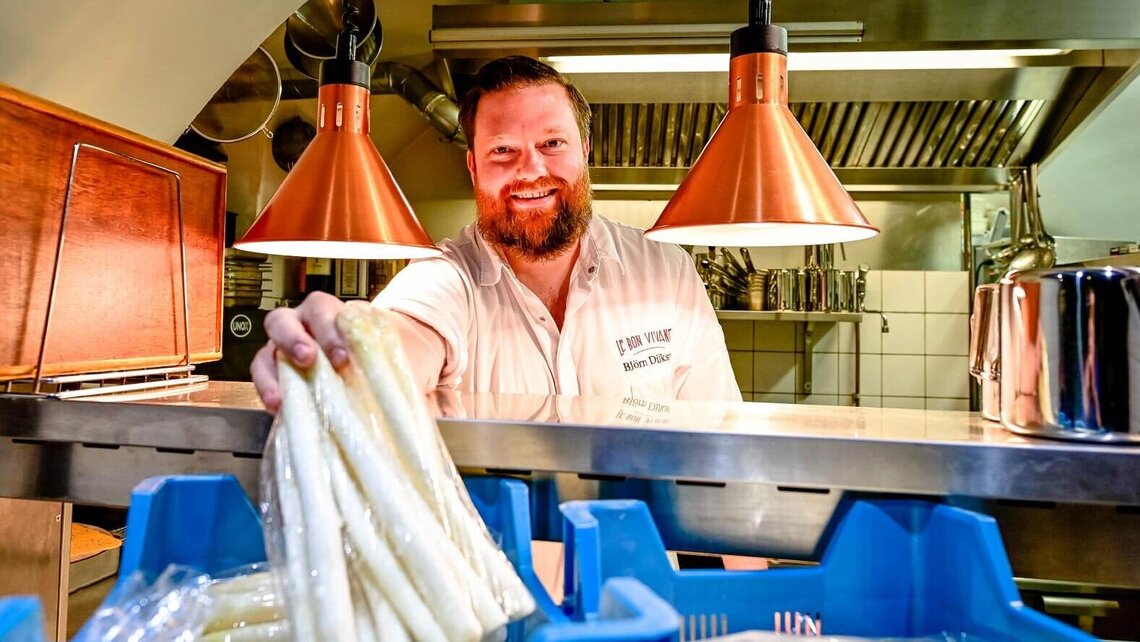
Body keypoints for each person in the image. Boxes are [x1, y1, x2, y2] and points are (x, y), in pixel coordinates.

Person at [251, 56, 740, 411]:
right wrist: (345, 350)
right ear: (473, 166)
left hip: (647, 555)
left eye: (552, 143)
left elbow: (725, 446)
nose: (530, 170)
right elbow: (403, 338)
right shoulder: (446, 277)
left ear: (584, 150)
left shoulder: (666, 272)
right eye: (502, 151)